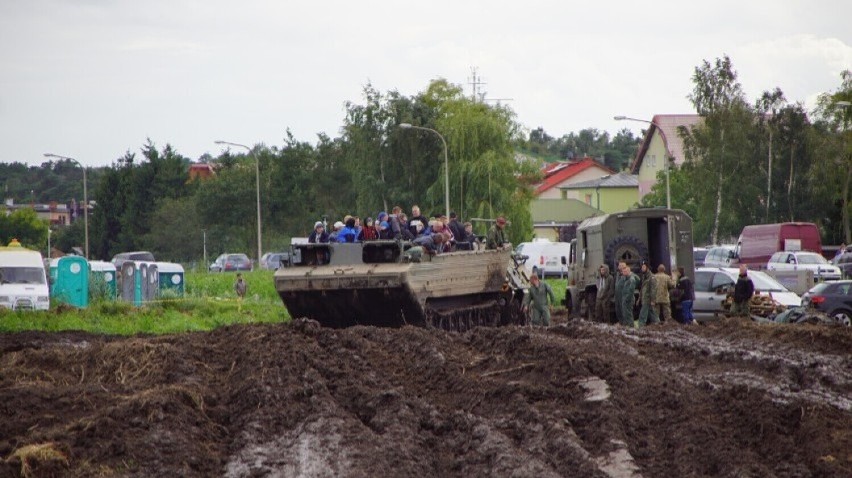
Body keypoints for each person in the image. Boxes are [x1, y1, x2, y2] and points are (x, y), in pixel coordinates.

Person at [614, 262, 640, 327]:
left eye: (621, 266)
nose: (619, 267)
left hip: (625, 296)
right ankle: (622, 322)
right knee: (619, 310)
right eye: (619, 265)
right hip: (618, 295)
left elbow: (637, 280)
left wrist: (630, 274)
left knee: (626, 312)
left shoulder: (630, 275)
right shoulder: (618, 274)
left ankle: (629, 325)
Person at [638, 261, 659, 327]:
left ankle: (641, 326)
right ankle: (657, 324)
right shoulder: (644, 277)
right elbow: (642, 289)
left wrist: (653, 300)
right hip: (644, 298)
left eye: (644, 267)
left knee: (643, 314)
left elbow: (653, 290)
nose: (642, 268)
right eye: (642, 267)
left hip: (648, 299)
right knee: (652, 313)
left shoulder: (652, 277)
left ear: (647, 268)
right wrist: (639, 298)